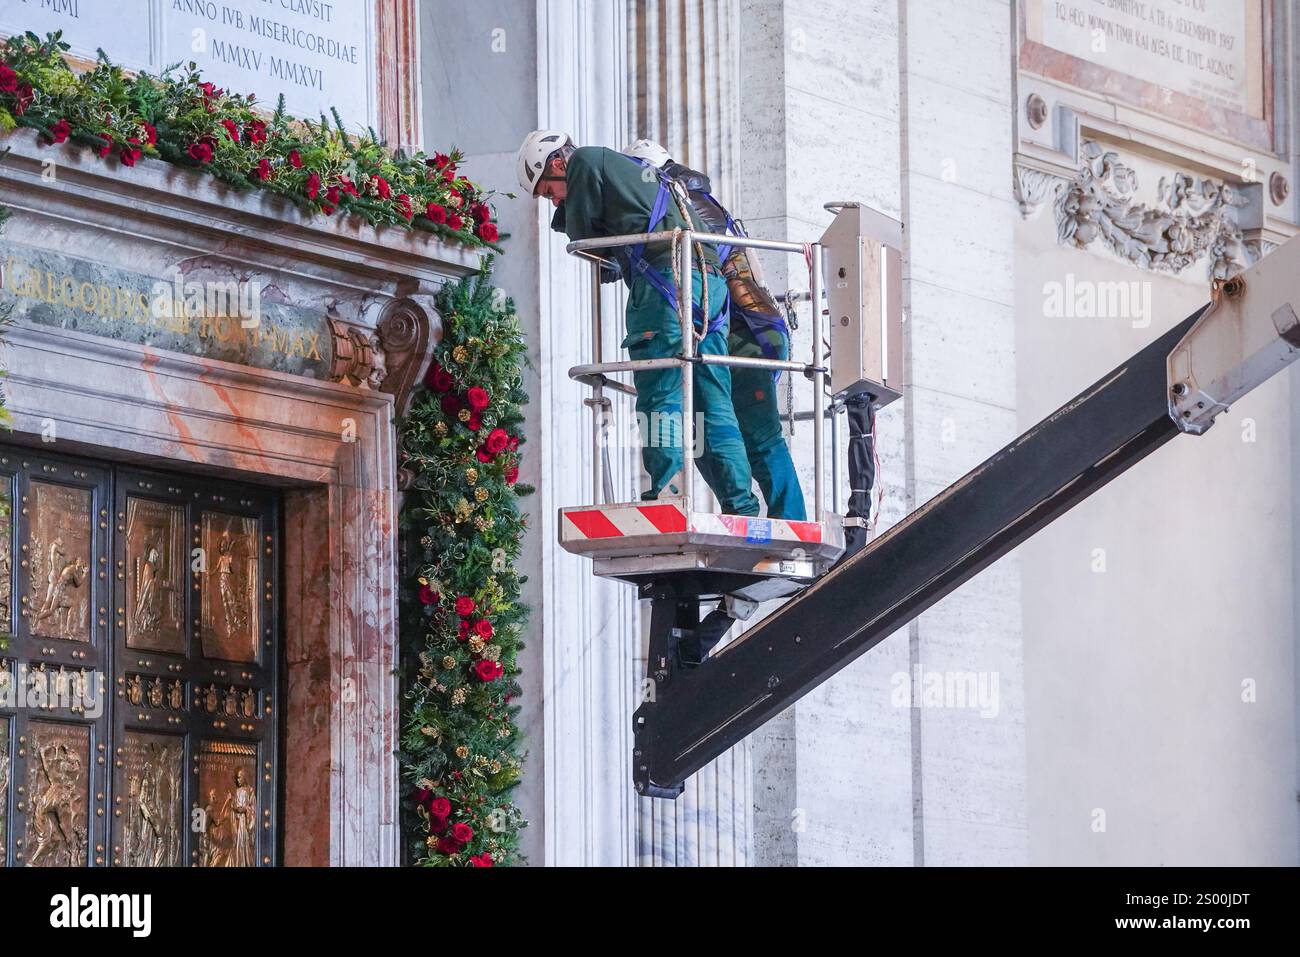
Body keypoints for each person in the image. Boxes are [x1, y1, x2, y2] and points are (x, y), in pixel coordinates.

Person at [517, 129, 760, 517]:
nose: (554, 201)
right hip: (709, 284)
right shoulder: (624, 171)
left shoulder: (584, 162)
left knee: (660, 390)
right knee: (714, 399)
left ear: (557, 163)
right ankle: (743, 507)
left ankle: (666, 497)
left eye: (550, 191)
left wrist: (609, 250)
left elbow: (579, 235)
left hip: (667, 284)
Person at [622, 139, 807, 521]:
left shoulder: (682, 203)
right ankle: (761, 516)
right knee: (709, 432)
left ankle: (788, 524)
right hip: (751, 334)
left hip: (745, 338)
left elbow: (697, 269)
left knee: (759, 438)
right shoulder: (695, 199)